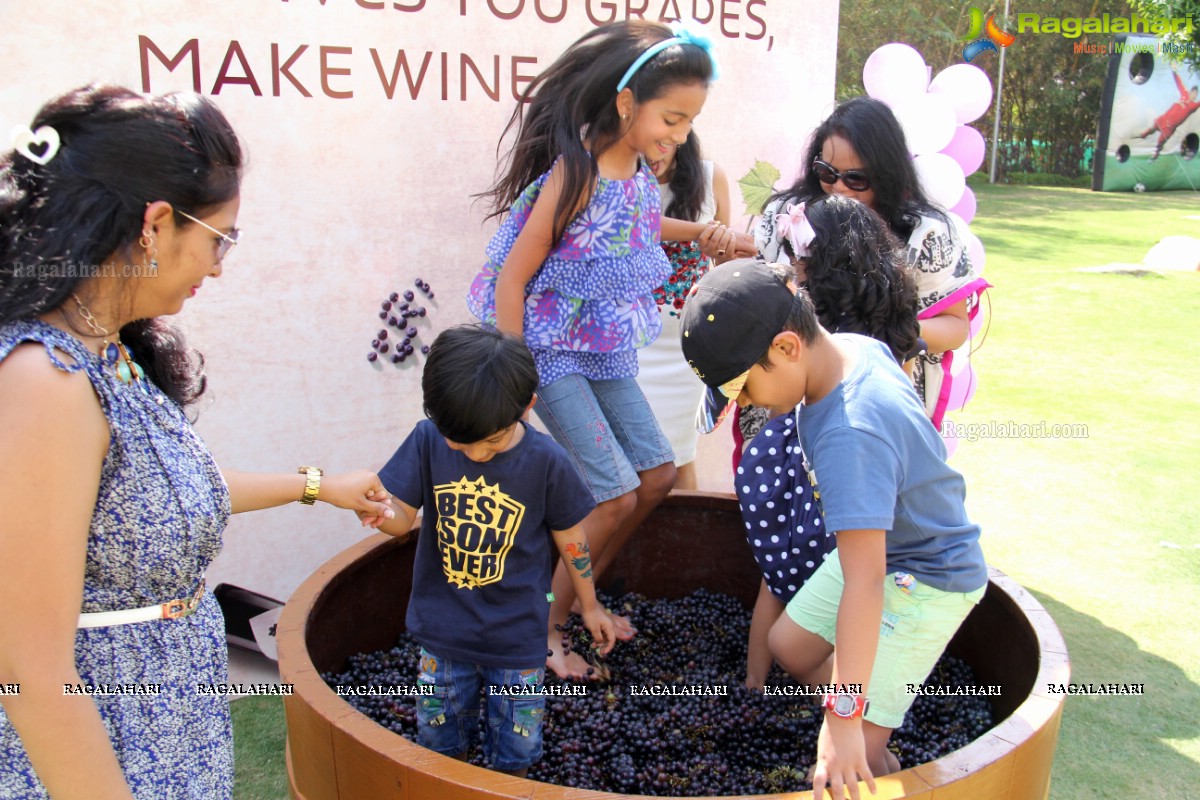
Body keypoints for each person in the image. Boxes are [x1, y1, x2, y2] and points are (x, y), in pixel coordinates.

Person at [0, 85, 394, 800]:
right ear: (155, 224)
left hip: (170, 730)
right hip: (105, 751)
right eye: (221, 238)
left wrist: (317, 486)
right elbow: (27, 668)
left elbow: (158, 497)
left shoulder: (104, 352)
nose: (219, 266)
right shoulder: (42, 383)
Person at [466, 20, 721, 678]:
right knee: (609, 494)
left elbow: (638, 224)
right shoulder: (576, 172)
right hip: (549, 352)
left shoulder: (635, 169)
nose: (681, 134)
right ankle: (542, 628)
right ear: (628, 103)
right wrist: (513, 380)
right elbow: (515, 278)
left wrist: (708, 234)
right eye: (673, 117)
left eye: (690, 121)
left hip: (601, 348)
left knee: (658, 475)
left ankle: (584, 595)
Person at [681, 260, 987, 799]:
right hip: (881, 549)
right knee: (790, 645)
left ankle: (878, 746)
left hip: (927, 574)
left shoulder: (851, 432)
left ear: (785, 348)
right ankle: (878, 693)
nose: (744, 405)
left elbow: (866, 583)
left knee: (854, 759)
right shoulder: (848, 347)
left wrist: (843, 722)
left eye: (742, 387)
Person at [365, 324, 615, 776]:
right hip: (443, 635)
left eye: (492, 441)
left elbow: (571, 540)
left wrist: (590, 604)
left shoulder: (546, 462)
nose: (477, 453)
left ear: (526, 408)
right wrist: (378, 511)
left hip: (518, 639)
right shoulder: (427, 440)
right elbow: (402, 517)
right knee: (441, 742)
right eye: (459, 443)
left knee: (516, 750)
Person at [720, 196, 921, 690]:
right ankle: (760, 685)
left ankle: (832, 696)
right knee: (791, 572)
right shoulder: (850, 336)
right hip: (808, 467)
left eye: (802, 258)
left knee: (805, 574)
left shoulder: (837, 341)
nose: (794, 268)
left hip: (830, 473)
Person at [755, 96, 989, 431]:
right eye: (827, 172)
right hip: (789, 401)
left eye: (856, 179)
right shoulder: (785, 215)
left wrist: (883, 330)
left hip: (882, 407)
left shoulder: (926, 232)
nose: (837, 188)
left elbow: (955, 327)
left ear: (887, 175)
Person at [636, 131, 736, 490]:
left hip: (686, 348)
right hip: (628, 346)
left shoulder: (711, 178)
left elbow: (726, 263)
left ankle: (685, 541)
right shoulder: (619, 184)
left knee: (680, 455)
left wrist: (722, 245)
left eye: (662, 142)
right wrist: (700, 232)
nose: (652, 153)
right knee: (632, 462)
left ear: (682, 134)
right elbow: (636, 229)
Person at [1136, 69, 1200, 160]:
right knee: (1151, 129)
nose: (1194, 95)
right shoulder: (1184, 95)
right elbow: (1179, 83)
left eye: (1195, 94)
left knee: (1160, 141)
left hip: (1170, 127)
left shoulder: (1193, 106)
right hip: (1164, 119)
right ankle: (1142, 135)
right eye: (1193, 93)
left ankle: (1156, 153)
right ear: (1190, 92)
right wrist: (1174, 71)